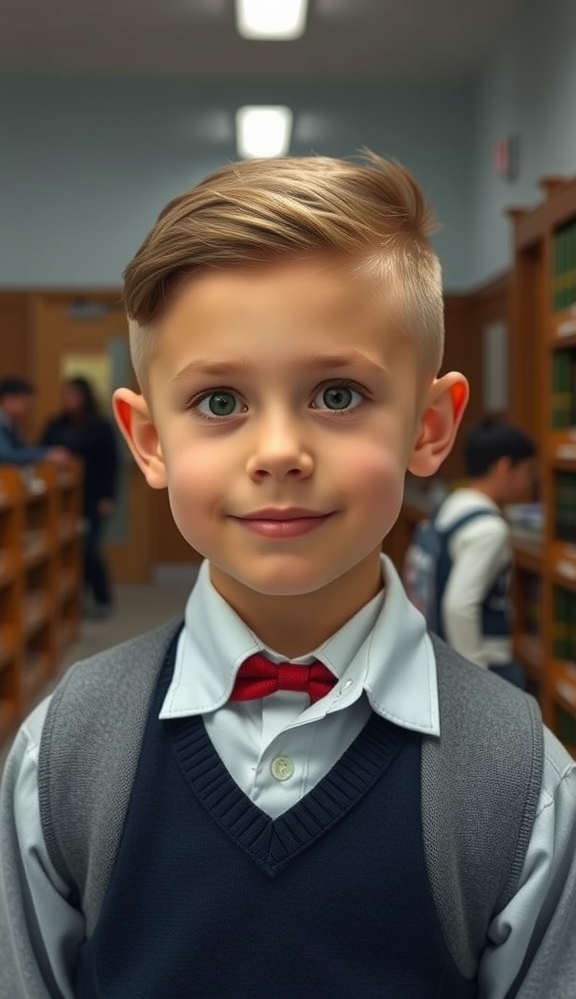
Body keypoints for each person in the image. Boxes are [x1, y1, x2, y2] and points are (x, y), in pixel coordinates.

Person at [1, 153, 575, 998]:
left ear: (430, 424)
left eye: (338, 395)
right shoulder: (65, 751)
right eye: (221, 402)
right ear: (150, 440)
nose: (277, 453)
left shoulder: (524, 780)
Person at [429, 419, 536, 687]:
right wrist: (476, 681)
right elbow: (459, 607)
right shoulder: (489, 529)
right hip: (486, 662)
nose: (527, 482)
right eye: (526, 471)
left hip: (439, 652)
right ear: (503, 468)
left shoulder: (451, 505)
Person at [40, 376, 119, 618]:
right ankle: (73, 602)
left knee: (88, 550)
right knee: (66, 552)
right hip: (60, 502)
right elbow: (41, 452)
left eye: (72, 395)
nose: (67, 399)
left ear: (84, 398)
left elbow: (111, 464)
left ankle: (102, 597)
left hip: (92, 498)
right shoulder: (55, 424)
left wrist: (108, 497)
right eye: (65, 394)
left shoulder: (100, 426)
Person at [0, 375, 70, 467]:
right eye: (25, 404)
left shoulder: (12, 424)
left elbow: (21, 450)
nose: (27, 410)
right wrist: (45, 455)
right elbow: (6, 455)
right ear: (9, 399)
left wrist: (47, 451)